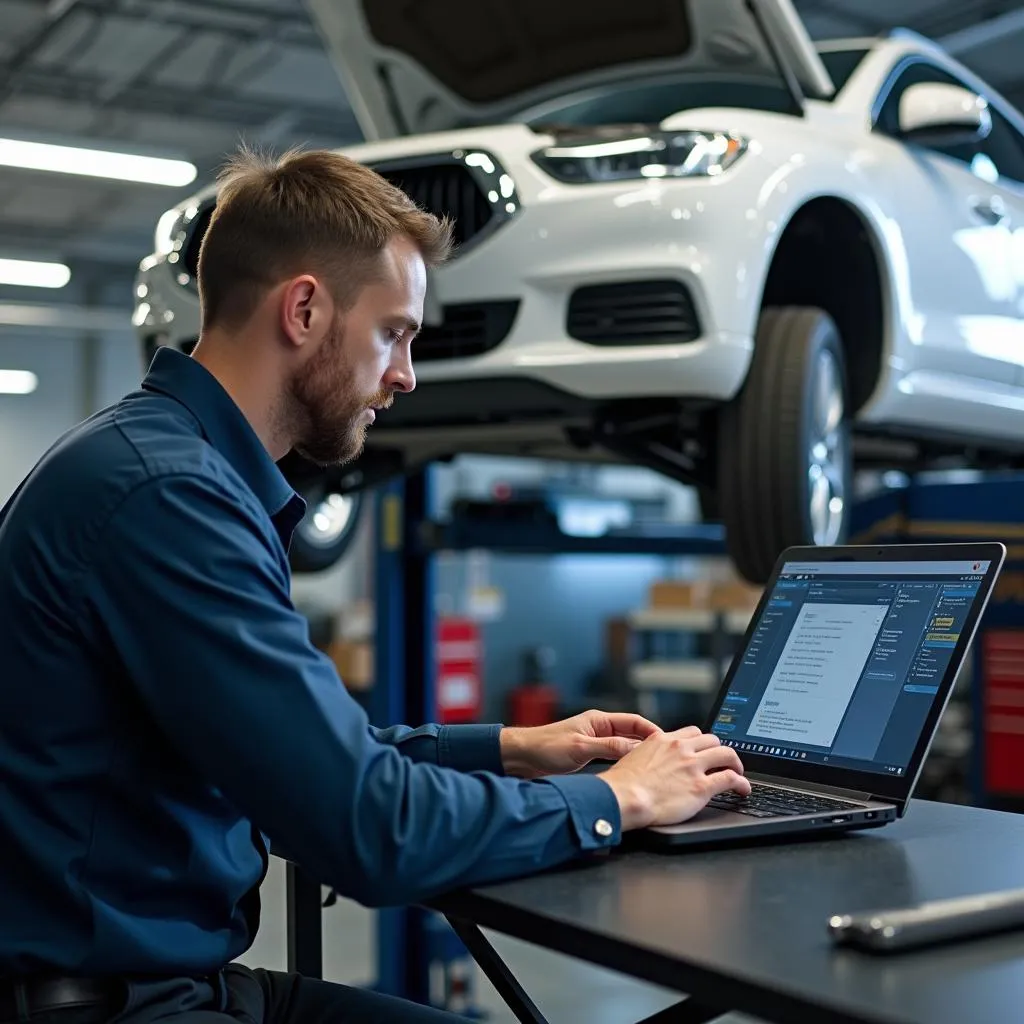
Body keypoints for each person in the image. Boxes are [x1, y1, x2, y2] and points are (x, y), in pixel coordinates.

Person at [0, 146, 750, 1024]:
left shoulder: (159, 465)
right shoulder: (169, 498)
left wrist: (514, 746)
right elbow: (366, 829)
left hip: (159, 983)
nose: (406, 375)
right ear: (306, 309)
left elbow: (306, 760)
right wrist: (615, 798)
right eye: (394, 332)